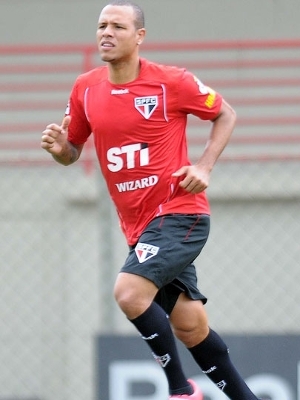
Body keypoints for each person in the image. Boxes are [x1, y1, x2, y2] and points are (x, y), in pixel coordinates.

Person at [41, 1, 260, 399]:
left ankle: (179, 389)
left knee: (128, 292)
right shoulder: (85, 87)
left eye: (118, 27)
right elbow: (73, 150)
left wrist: (205, 167)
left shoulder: (171, 82)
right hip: (138, 227)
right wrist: (61, 150)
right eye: (102, 25)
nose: (107, 33)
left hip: (180, 214)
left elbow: (224, 113)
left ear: (139, 36)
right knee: (191, 326)